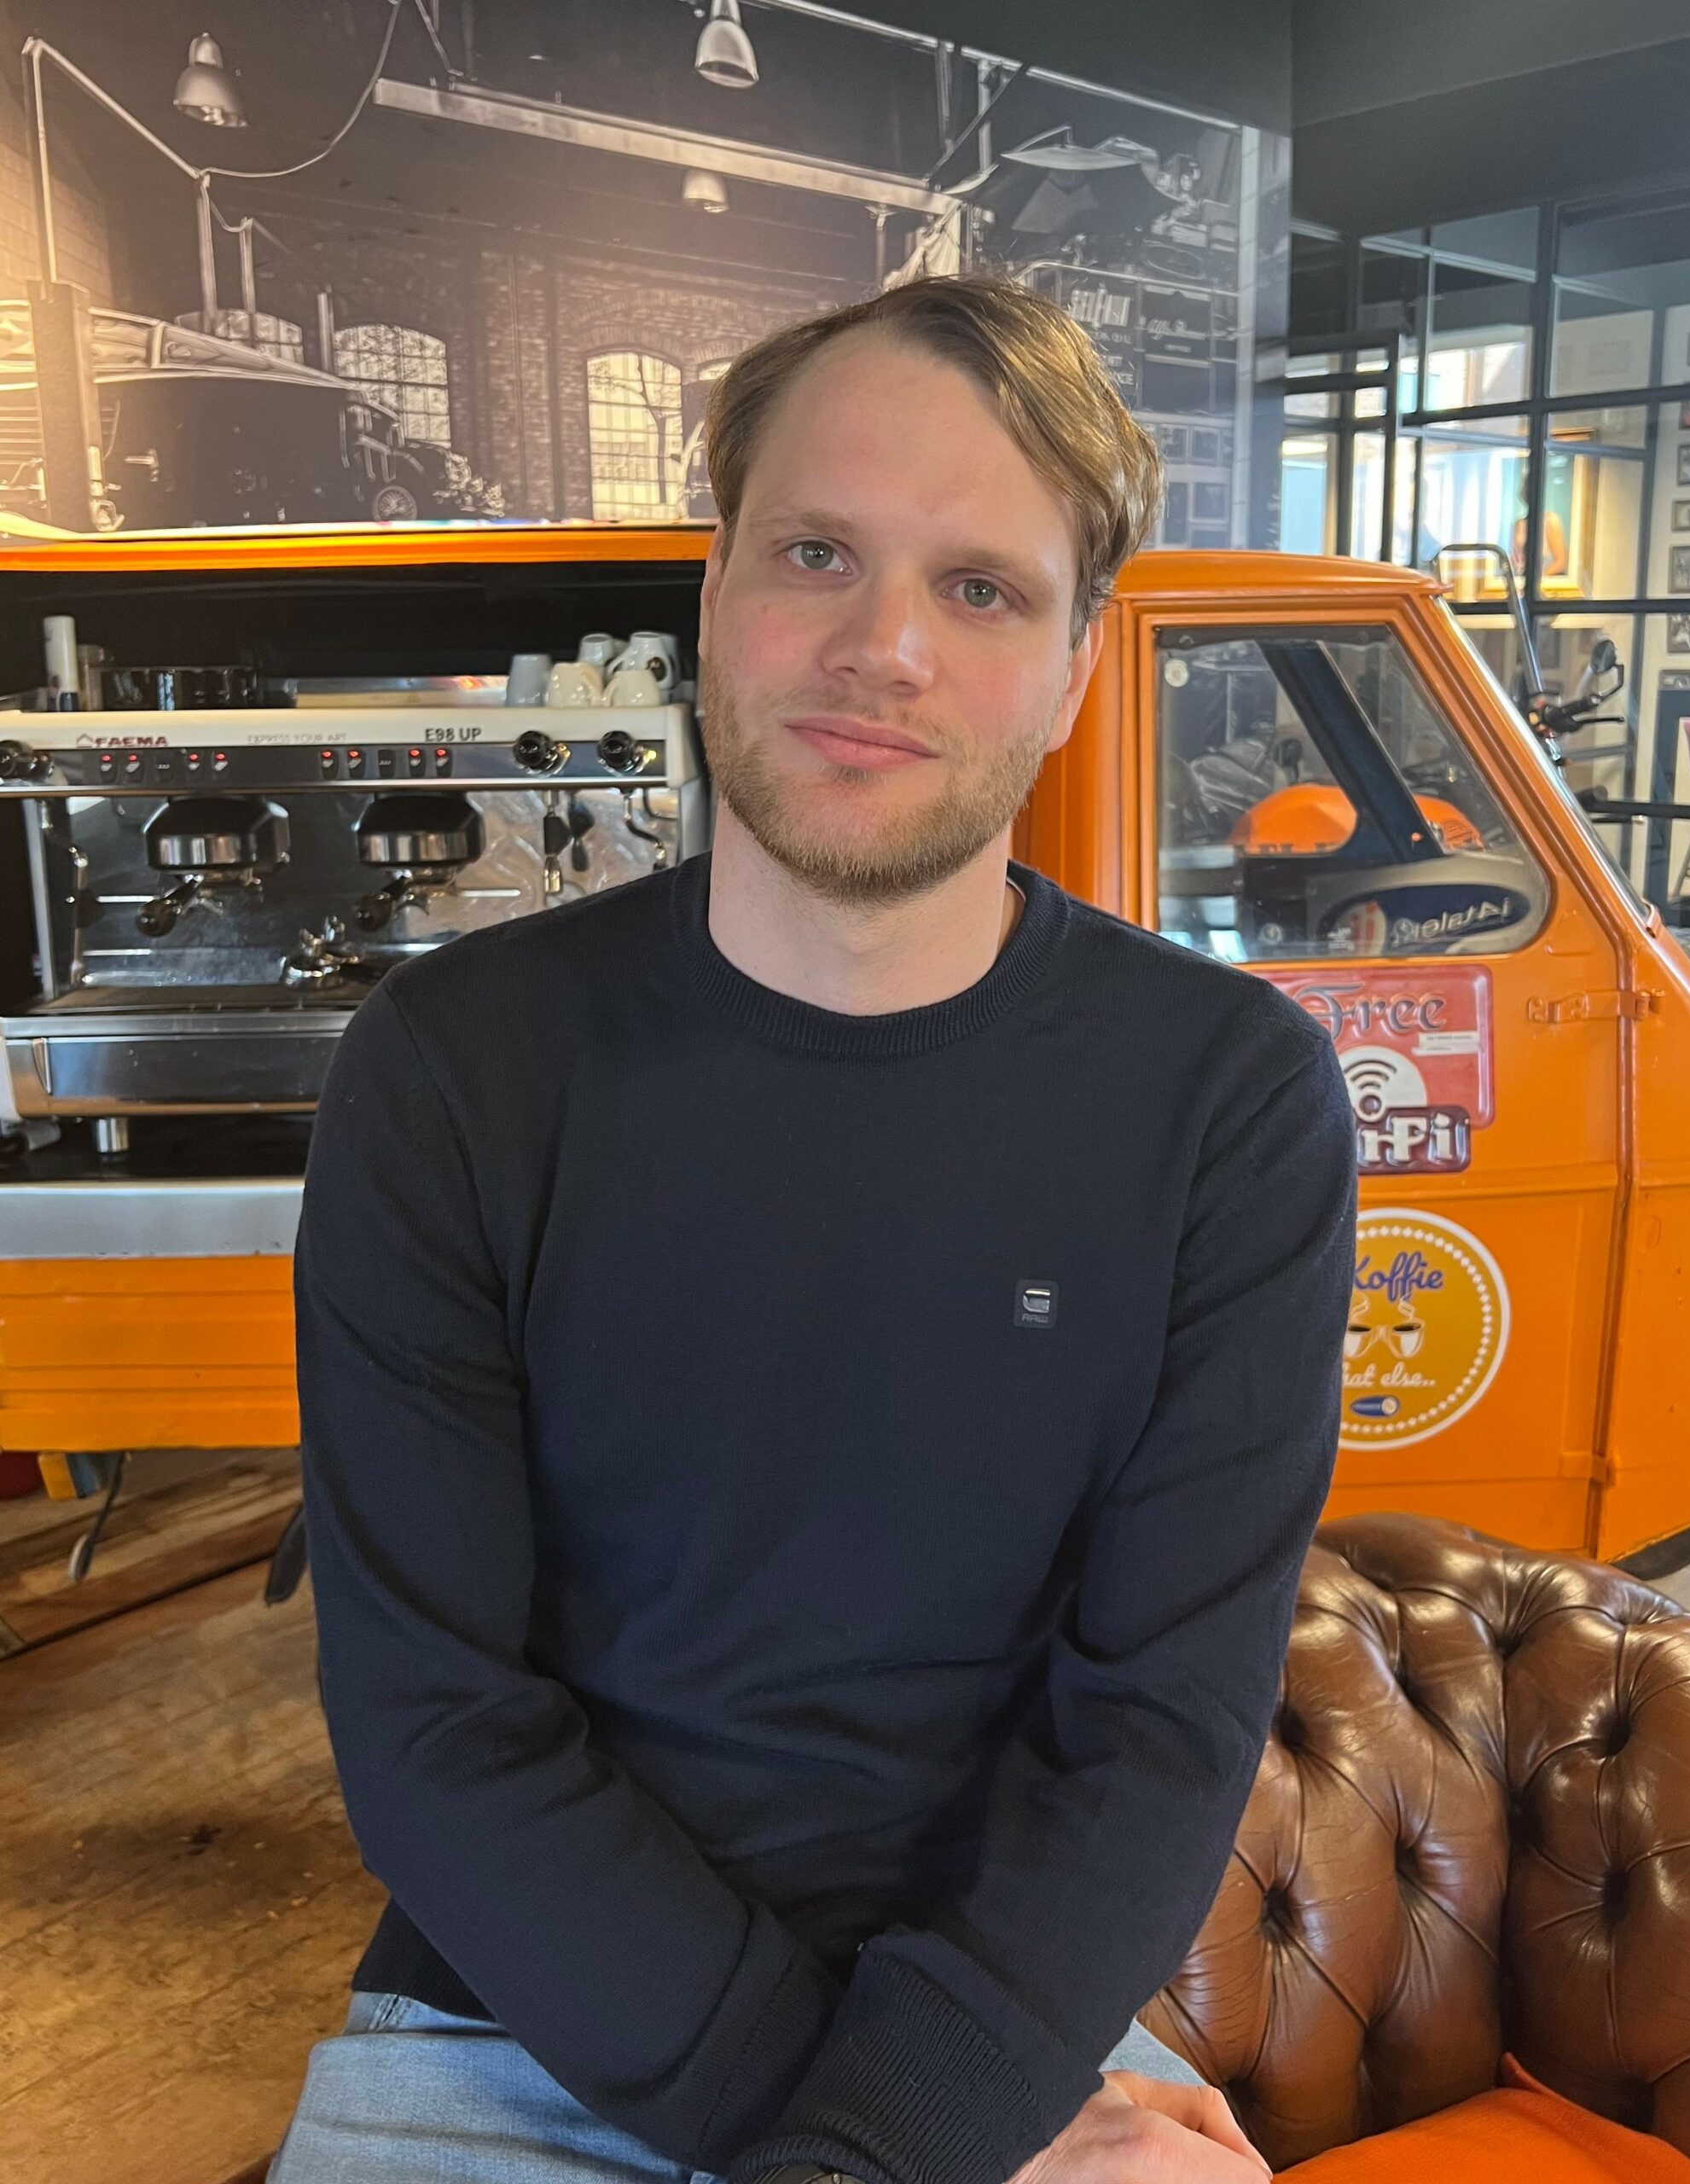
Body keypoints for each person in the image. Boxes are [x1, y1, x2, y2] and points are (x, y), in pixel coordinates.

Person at [272, 271, 1358, 2184]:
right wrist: (863, 2148)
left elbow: (1158, 1731)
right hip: (515, 2027)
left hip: (996, 2031)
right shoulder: (450, 1067)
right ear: (713, 593)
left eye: (980, 587)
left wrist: (904, 2121)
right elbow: (433, 1723)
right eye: (815, 552)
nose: (883, 647)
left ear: (1074, 667)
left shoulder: (1231, 1101)